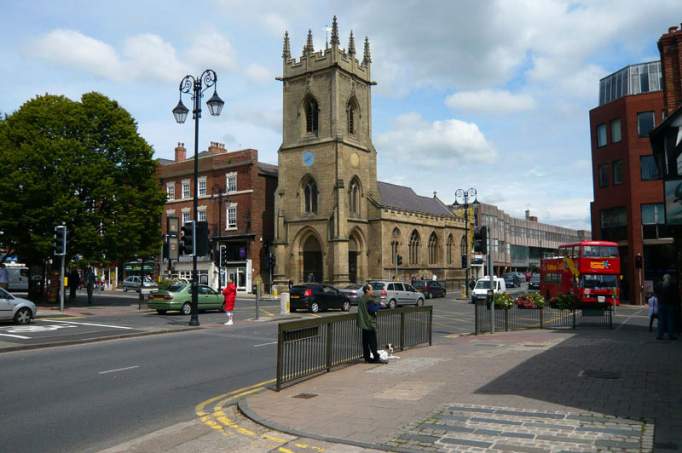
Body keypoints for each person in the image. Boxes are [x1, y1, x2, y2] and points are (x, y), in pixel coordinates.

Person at [356, 284, 387, 364]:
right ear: (367, 290)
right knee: (373, 342)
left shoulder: (361, 298)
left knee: (365, 342)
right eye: (371, 289)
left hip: (363, 323)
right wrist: (380, 305)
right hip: (369, 323)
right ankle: (376, 358)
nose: (372, 291)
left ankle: (367, 358)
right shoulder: (368, 299)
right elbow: (372, 310)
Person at [657, 274, 678, 340]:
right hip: (670, 304)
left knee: (661, 320)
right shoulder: (672, 285)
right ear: (670, 279)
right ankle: (670, 335)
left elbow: (656, 292)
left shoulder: (660, 285)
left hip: (661, 304)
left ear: (663, 278)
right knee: (670, 320)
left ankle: (660, 335)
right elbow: (675, 295)